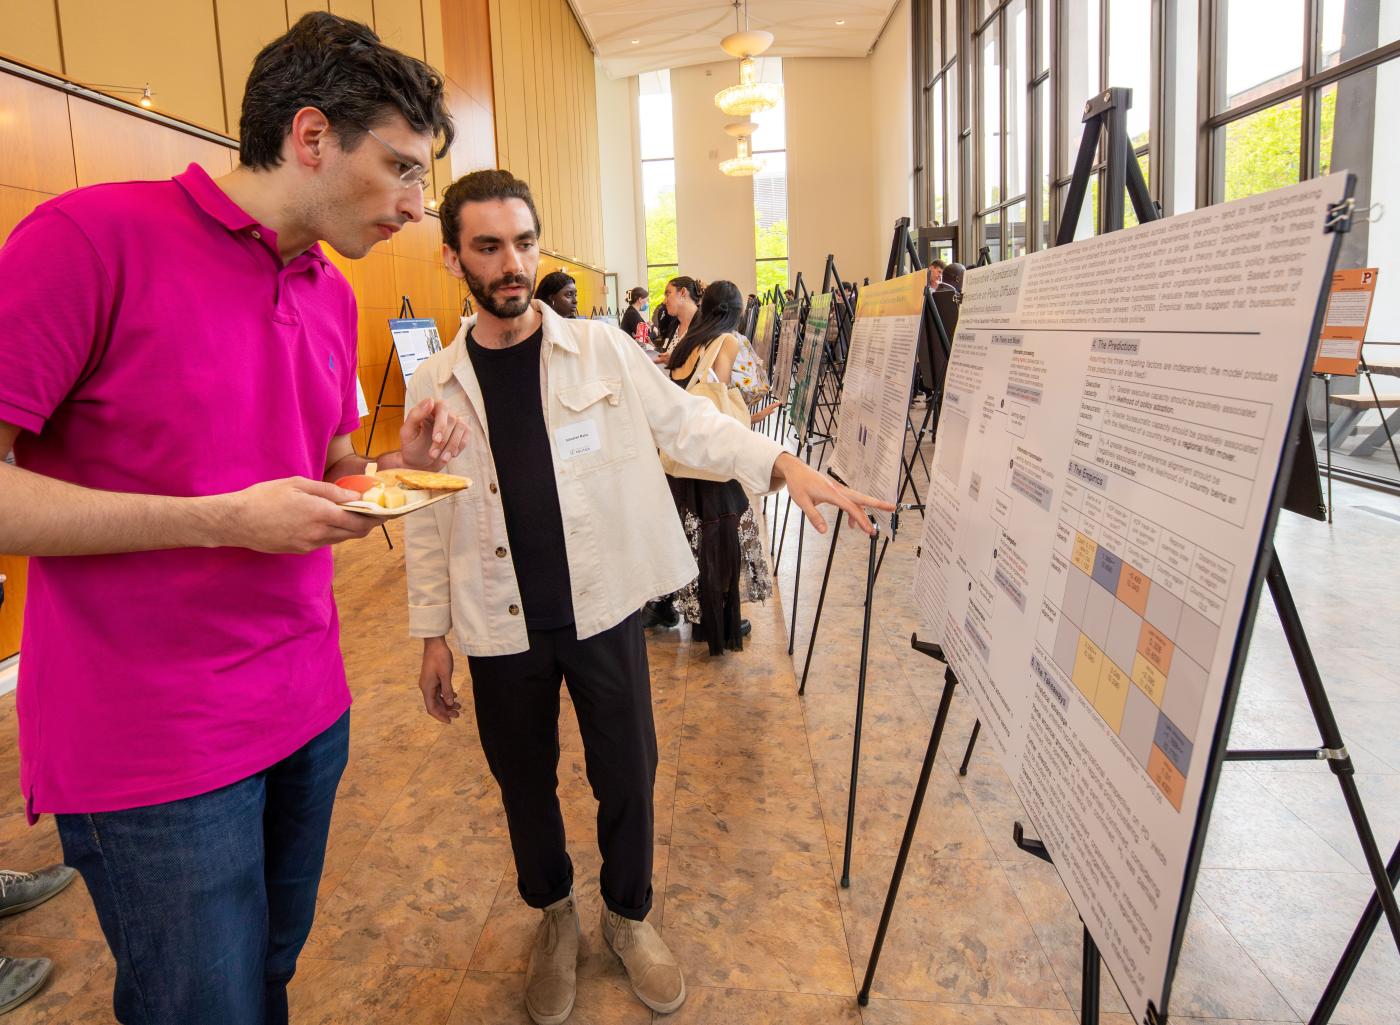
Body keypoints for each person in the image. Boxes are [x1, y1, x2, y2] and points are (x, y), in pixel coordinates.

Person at [0, 14, 469, 1024]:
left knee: (263, 983)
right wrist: (220, 519)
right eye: (398, 169)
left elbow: (331, 467)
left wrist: (398, 470)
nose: (414, 206)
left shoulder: (328, 294)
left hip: (306, 704)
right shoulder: (87, 240)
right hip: (152, 739)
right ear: (309, 137)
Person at [407, 169, 891, 1025]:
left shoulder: (599, 351)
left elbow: (685, 425)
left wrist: (780, 463)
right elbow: (424, 512)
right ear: (455, 258)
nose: (512, 262)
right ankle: (554, 914)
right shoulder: (435, 384)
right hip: (498, 620)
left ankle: (628, 916)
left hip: (601, 608)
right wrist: (431, 633)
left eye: (523, 241)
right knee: (524, 781)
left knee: (627, 772)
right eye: (488, 246)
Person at [657, 278, 772, 653]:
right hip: (711, 463)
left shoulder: (687, 342)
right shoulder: (728, 341)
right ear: (736, 313)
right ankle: (720, 622)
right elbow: (729, 398)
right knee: (719, 543)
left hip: (679, 460)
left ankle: (698, 615)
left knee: (692, 541)